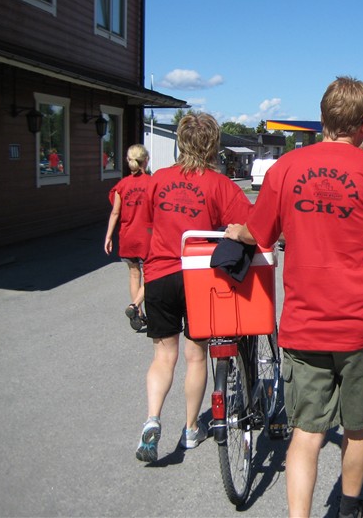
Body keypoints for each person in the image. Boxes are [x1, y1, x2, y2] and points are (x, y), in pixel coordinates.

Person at [225, 76, 363, 518]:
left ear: (322, 119)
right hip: (362, 325)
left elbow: (258, 234)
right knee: (357, 426)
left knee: (306, 431)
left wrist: (235, 231)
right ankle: (349, 508)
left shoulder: (286, 169)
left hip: (305, 326)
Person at [135, 113, 252, 463]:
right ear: (213, 145)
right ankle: (189, 429)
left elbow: (147, 224)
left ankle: (152, 418)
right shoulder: (220, 185)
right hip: (197, 276)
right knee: (195, 354)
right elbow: (249, 223)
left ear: (180, 142)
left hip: (158, 275)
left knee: (163, 355)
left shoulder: (158, 180)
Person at [104, 144, 152, 330]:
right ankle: (135, 305)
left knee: (134, 275)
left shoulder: (121, 186)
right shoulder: (152, 183)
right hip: (147, 236)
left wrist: (108, 237)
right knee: (151, 276)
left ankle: (138, 315)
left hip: (127, 235)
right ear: (146, 160)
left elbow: (115, 213)